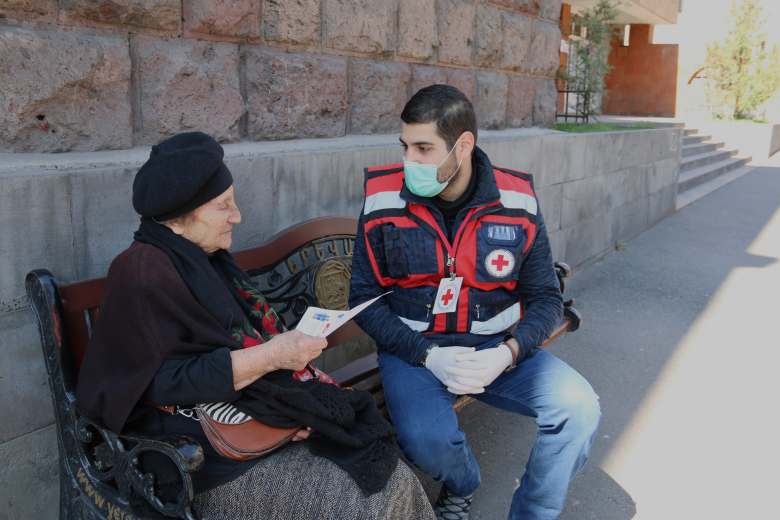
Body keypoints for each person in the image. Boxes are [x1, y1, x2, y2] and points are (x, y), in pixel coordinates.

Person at [76, 131, 434, 520]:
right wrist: (274, 356)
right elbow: (163, 383)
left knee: (389, 475)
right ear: (178, 220)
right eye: (223, 206)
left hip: (237, 420)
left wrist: (288, 402)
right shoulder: (141, 273)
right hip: (190, 459)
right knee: (365, 498)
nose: (238, 216)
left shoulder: (204, 259)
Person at [349, 85, 601, 520]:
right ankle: (463, 482)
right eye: (405, 146)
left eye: (424, 148)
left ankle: (533, 513)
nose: (410, 161)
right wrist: (427, 356)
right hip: (415, 354)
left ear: (463, 145)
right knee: (427, 442)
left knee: (579, 409)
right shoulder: (383, 198)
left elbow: (544, 298)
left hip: (495, 351)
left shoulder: (516, 201)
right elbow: (364, 299)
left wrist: (508, 353)